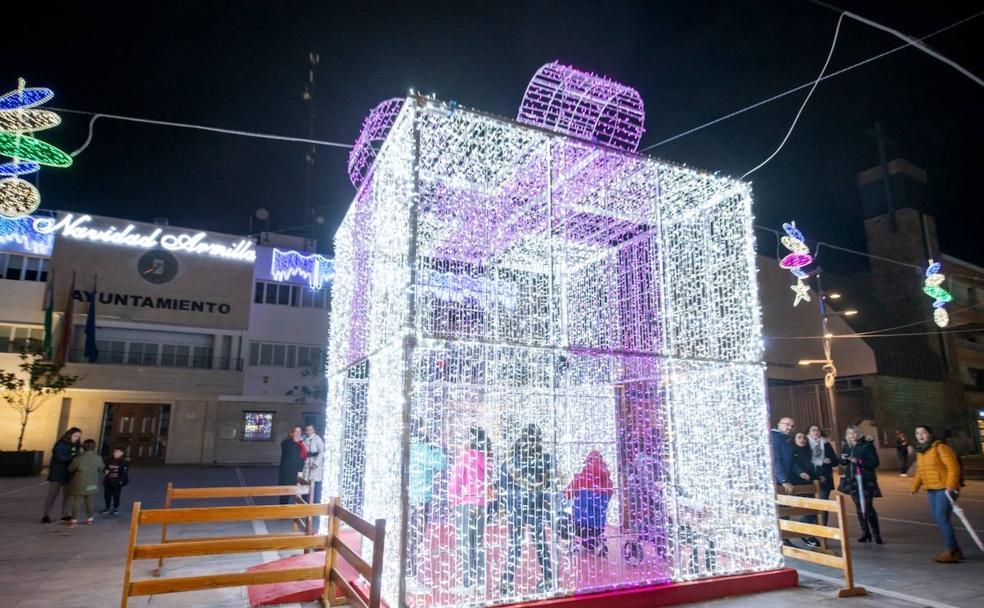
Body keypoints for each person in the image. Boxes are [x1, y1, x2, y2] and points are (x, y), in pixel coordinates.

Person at [499, 424, 555, 595]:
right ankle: (547, 578)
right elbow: (549, 484)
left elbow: (503, 483)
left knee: (515, 543)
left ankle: (507, 581)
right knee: (540, 543)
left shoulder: (510, 460)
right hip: (535, 505)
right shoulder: (544, 459)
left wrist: (505, 503)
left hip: (515, 507)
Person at [910, 425, 964, 563]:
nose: (920, 435)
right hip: (931, 489)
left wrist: (951, 485)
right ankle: (955, 549)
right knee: (939, 518)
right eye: (917, 433)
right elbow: (920, 471)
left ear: (930, 434)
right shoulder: (921, 451)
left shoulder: (940, 447)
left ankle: (951, 550)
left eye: (923, 432)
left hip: (945, 488)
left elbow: (953, 467)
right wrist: (915, 486)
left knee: (941, 518)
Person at [406, 418, 448, 592]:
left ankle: (408, 574)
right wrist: (439, 450)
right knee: (415, 538)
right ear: (420, 430)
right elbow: (442, 463)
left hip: (409, 498)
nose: (427, 431)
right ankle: (411, 576)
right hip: (420, 499)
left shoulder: (409, 446)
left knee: (410, 538)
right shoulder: (423, 449)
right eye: (424, 428)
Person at [448, 427, 490, 594]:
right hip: (481, 504)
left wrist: (453, 501)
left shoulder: (465, 457)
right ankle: (480, 582)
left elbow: (455, 482)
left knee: (465, 544)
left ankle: (466, 583)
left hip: (465, 504)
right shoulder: (486, 458)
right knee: (478, 543)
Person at [839, 425, 882, 544]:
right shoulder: (847, 446)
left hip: (865, 480)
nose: (851, 436)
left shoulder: (866, 445)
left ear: (858, 434)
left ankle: (876, 534)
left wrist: (859, 461)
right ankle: (865, 532)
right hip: (852, 480)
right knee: (858, 507)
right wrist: (843, 459)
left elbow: (874, 462)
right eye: (849, 433)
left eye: (854, 433)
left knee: (868, 507)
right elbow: (843, 463)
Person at [565, 450, 613, 556]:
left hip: (579, 526)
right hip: (599, 526)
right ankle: (595, 542)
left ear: (587, 462)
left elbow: (566, 495)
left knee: (560, 517)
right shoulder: (609, 482)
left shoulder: (580, 478)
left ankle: (574, 541)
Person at [41, 427, 81, 523]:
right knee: (52, 495)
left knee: (68, 495)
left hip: (69, 474)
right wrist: (72, 458)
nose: (77, 438)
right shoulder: (60, 444)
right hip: (57, 473)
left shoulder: (76, 445)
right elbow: (59, 457)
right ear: (70, 434)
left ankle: (65, 514)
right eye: (75, 436)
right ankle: (46, 515)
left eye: (78, 436)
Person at [67, 439, 104, 526]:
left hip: (80, 482)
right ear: (94, 447)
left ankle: (74, 519)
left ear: (83, 447)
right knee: (90, 501)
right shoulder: (98, 458)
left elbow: (70, 468)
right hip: (92, 483)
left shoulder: (78, 458)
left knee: (77, 501)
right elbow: (101, 468)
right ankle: (90, 518)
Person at [278, 426, 307, 504]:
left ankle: (295, 511)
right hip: (287, 473)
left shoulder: (301, 444)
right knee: (285, 494)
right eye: (296, 432)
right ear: (292, 433)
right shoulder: (287, 443)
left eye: (300, 432)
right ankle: (282, 511)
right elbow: (287, 448)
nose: (298, 433)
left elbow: (304, 455)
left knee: (298, 494)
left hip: (298, 472)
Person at [100, 447, 129, 515]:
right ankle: (107, 507)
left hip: (117, 481)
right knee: (107, 495)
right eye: (114, 452)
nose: (115, 453)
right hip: (108, 481)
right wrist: (105, 471)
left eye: (117, 452)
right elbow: (105, 468)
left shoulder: (124, 462)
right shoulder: (109, 460)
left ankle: (115, 508)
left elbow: (124, 472)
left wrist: (121, 481)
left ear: (122, 453)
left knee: (116, 495)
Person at [770, 417, 795, 494]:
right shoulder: (773, 437)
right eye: (787, 424)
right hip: (774, 479)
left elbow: (790, 459)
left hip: (783, 478)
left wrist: (800, 472)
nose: (790, 428)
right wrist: (783, 480)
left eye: (792, 426)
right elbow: (774, 459)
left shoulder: (786, 438)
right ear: (779, 425)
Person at [302, 424, 325, 504]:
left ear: (314, 430)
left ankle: (315, 503)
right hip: (306, 464)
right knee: (305, 483)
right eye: (307, 430)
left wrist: (316, 463)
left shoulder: (317, 439)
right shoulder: (305, 439)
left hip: (314, 466)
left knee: (315, 484)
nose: (309, 432)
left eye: (310, 430)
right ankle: (304, 502)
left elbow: (322, 451)